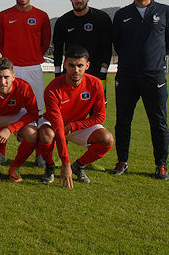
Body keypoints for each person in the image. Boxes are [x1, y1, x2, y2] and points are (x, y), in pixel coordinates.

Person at [111, 0, 169, 180]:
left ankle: (160, 164)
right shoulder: (122, 14)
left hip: (154, 77)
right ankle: (122, 161)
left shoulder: (164, 11)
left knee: (158, 122)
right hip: (126, 76)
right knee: (123, 121)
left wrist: (153, 60)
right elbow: (117, 44)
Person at [37, 46, 113, 187]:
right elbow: (58, 125)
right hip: (54, 124)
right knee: (46, 134)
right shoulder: (53, 89)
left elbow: (100, 116)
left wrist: (73, 126)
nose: (76, 70)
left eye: (80, 66)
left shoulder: (95, 83)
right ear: (65, 64)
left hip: (77, 124)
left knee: (107, 139)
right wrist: (65, 163)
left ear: (87, 65)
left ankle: (79, 166)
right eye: (71, 65)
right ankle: (49, 167)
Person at [0, 0, 50, 167]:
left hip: (33, 68)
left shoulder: (42, 16)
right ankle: (1, 153)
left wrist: (31, 57)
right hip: (12, 68)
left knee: (38, 112)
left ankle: (40, 154)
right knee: (6, 109)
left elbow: (45, 43)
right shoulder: (3, 15)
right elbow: (0, 42)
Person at [0, 58, 39, 187]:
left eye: (6, 77)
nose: (3, 82)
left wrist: (10, 128)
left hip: (15, 114)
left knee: (32, 134)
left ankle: (15, 167)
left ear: (13, 77)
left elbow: (33, 113)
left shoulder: (24, 87)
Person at [53, 0, 112, 80]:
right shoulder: (63, 21)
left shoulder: (102, 18)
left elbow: (107, 47)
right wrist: (57, 73)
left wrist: (103, 72)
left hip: (95, 74)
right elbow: (58, 49)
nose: (79, 0)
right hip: (71, 74)